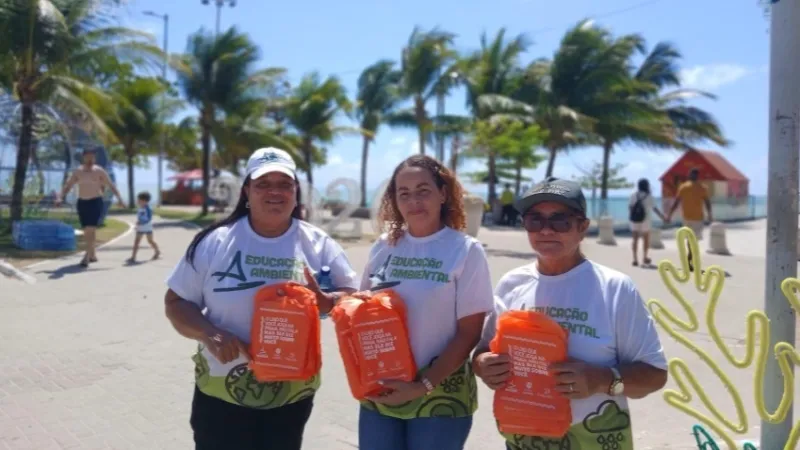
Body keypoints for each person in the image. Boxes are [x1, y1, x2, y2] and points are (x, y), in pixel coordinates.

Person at [163, 147, 359, 450]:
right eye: (263, 184)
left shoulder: (318, 244)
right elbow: (175, 303)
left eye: (284, 183)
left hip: (290, 394)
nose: (275, 192)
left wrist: (326, 302)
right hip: (221, 393)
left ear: (296, 191)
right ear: (247, 191)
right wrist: (209, 332)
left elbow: (353, 299)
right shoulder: (215, 241)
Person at [473, 177, 668, 450]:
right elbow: (482, 351)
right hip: (524, 434)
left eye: (561, 220)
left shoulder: (614, 288)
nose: (546, 230)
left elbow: (655, 375)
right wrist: (483, 365)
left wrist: (602, 380)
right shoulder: (511, 284)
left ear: (583, 228)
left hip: (596, 435)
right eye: (534, 220)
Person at [356, 155, 494, 450]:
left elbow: (469, 333)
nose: (414, 201)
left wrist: (423, 385)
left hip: (440, 396)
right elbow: (362, 313)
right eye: (403, 193)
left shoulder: (465, 250)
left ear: (443, 194)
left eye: (423, 190)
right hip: (383, 390)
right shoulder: (383, 247)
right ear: (394, 200)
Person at [56, 148, 125, 267]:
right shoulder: (78, 171)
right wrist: (60, 197)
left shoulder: (99, 171)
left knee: (90, 229)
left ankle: (86, 256)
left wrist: (120, 199)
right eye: (88, 157)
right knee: (87, 231)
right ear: (83, 157)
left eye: (92, 157)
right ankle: (92, 254)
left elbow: (111, 185)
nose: (90, 159)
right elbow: (68, 185)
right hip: (82, 202)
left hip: (95, 202)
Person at [666, 168, 713, 272]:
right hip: (698, 218)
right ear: (697, 176)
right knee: (694, 241)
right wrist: (710, 215)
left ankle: (689, 259)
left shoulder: (683, 187)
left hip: (687, 218)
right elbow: (707, 203)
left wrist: (669, 215)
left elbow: (676, 203)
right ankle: (689, 259)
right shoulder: (702, 188)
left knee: (689, 240)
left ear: (689, 175)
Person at [628, 178, 665, 267]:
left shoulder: (633, 195)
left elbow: (630, 207)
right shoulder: (649, 196)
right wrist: (663, 217)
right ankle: (644, 257)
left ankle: (635, 259)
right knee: (646, 239)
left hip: (635, 220)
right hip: (646, 220)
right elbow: (655, 209)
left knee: (635, 239)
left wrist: (632, 217)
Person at [129, 191, 160, 262]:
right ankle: (133, 257)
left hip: (147, 227)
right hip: (140, 228)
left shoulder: (148, 209)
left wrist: (141, 222)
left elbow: (149, 218)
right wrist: (138, 222)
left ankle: (157, 251)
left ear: (145, 201)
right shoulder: (140, 208)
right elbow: (140, 216)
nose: (138, 201)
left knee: (150, 241)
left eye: (139, 200)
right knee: (136, 241)